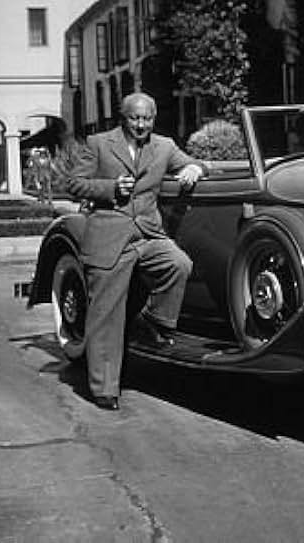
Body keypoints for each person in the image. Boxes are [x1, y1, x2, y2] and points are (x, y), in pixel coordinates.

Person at [67, 92, 204, 410]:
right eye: (135, 118)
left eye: (147, 118)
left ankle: (153, 321)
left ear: (153, 119)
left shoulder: (165, 146)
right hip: (109, 237)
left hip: (147, 234)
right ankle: (104, 389)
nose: (141, 124)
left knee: (179, 264)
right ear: (123, 117)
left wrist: (195, 168)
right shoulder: (99, 143)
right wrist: (109, 188)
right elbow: (73, 183)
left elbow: (196, 162)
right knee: (106, 316)